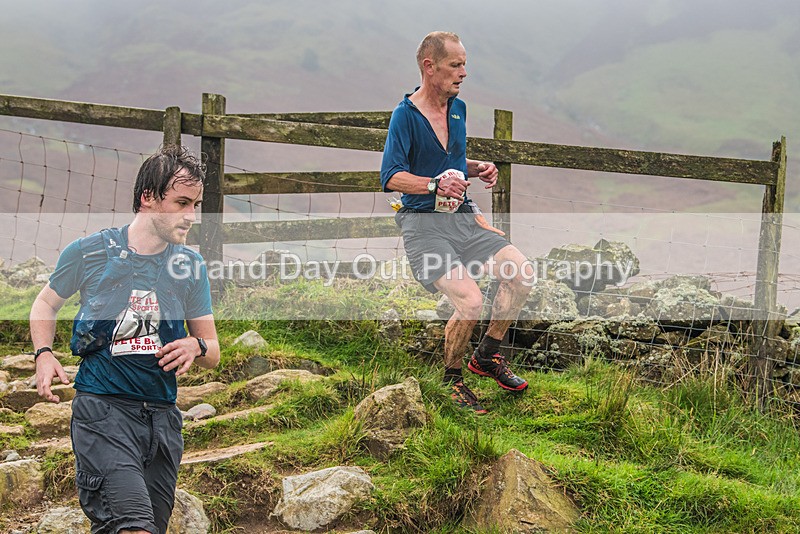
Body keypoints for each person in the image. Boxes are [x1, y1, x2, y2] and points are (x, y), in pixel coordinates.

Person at [30, 145, 220, 534]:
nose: (191, 216)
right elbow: (45, 304)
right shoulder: (89, 251)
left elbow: (212, 351)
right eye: (182, 202)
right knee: (133, 527)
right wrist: (44, 354)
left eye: (197, 204)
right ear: (148, 198)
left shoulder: (191, 267)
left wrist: (194, 346)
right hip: (103, 411)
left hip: (163, 419)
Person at [380, 31, 532, 414]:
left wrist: (476, 169)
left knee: (522, 274)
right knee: (470, 300)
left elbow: (449, 160)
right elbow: (391, 176)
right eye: (456, 65)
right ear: (430, 67)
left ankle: (487, 356)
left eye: (465, 64)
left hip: (464, 218)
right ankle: (451, 379)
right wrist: (434, 185)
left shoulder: (458, 108)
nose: (464, 72)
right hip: (423, 225)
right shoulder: (405, 117)